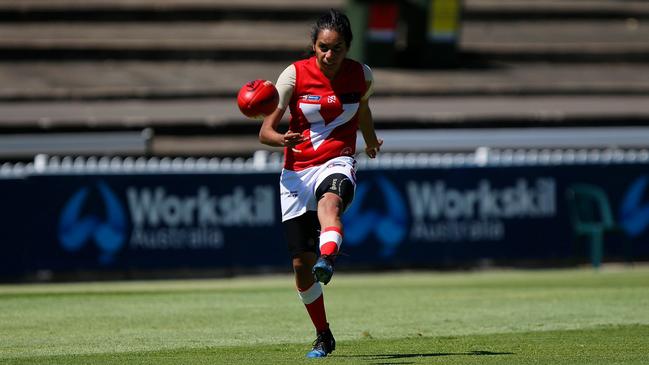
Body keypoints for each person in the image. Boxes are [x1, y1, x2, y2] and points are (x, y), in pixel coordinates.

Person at [258, 8, 383, 359]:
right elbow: (265, 130)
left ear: (348, 47)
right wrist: (280, 138)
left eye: (338, 48)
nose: (330, 55)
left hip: (337, 160)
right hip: (296, 172)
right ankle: (323, 334)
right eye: (324, 47)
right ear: (313, 46)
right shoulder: (293, 75)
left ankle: (328, 259)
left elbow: (363, 109)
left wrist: (371, 141)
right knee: (300, 267)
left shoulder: (362, 75)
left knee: (331, 204)